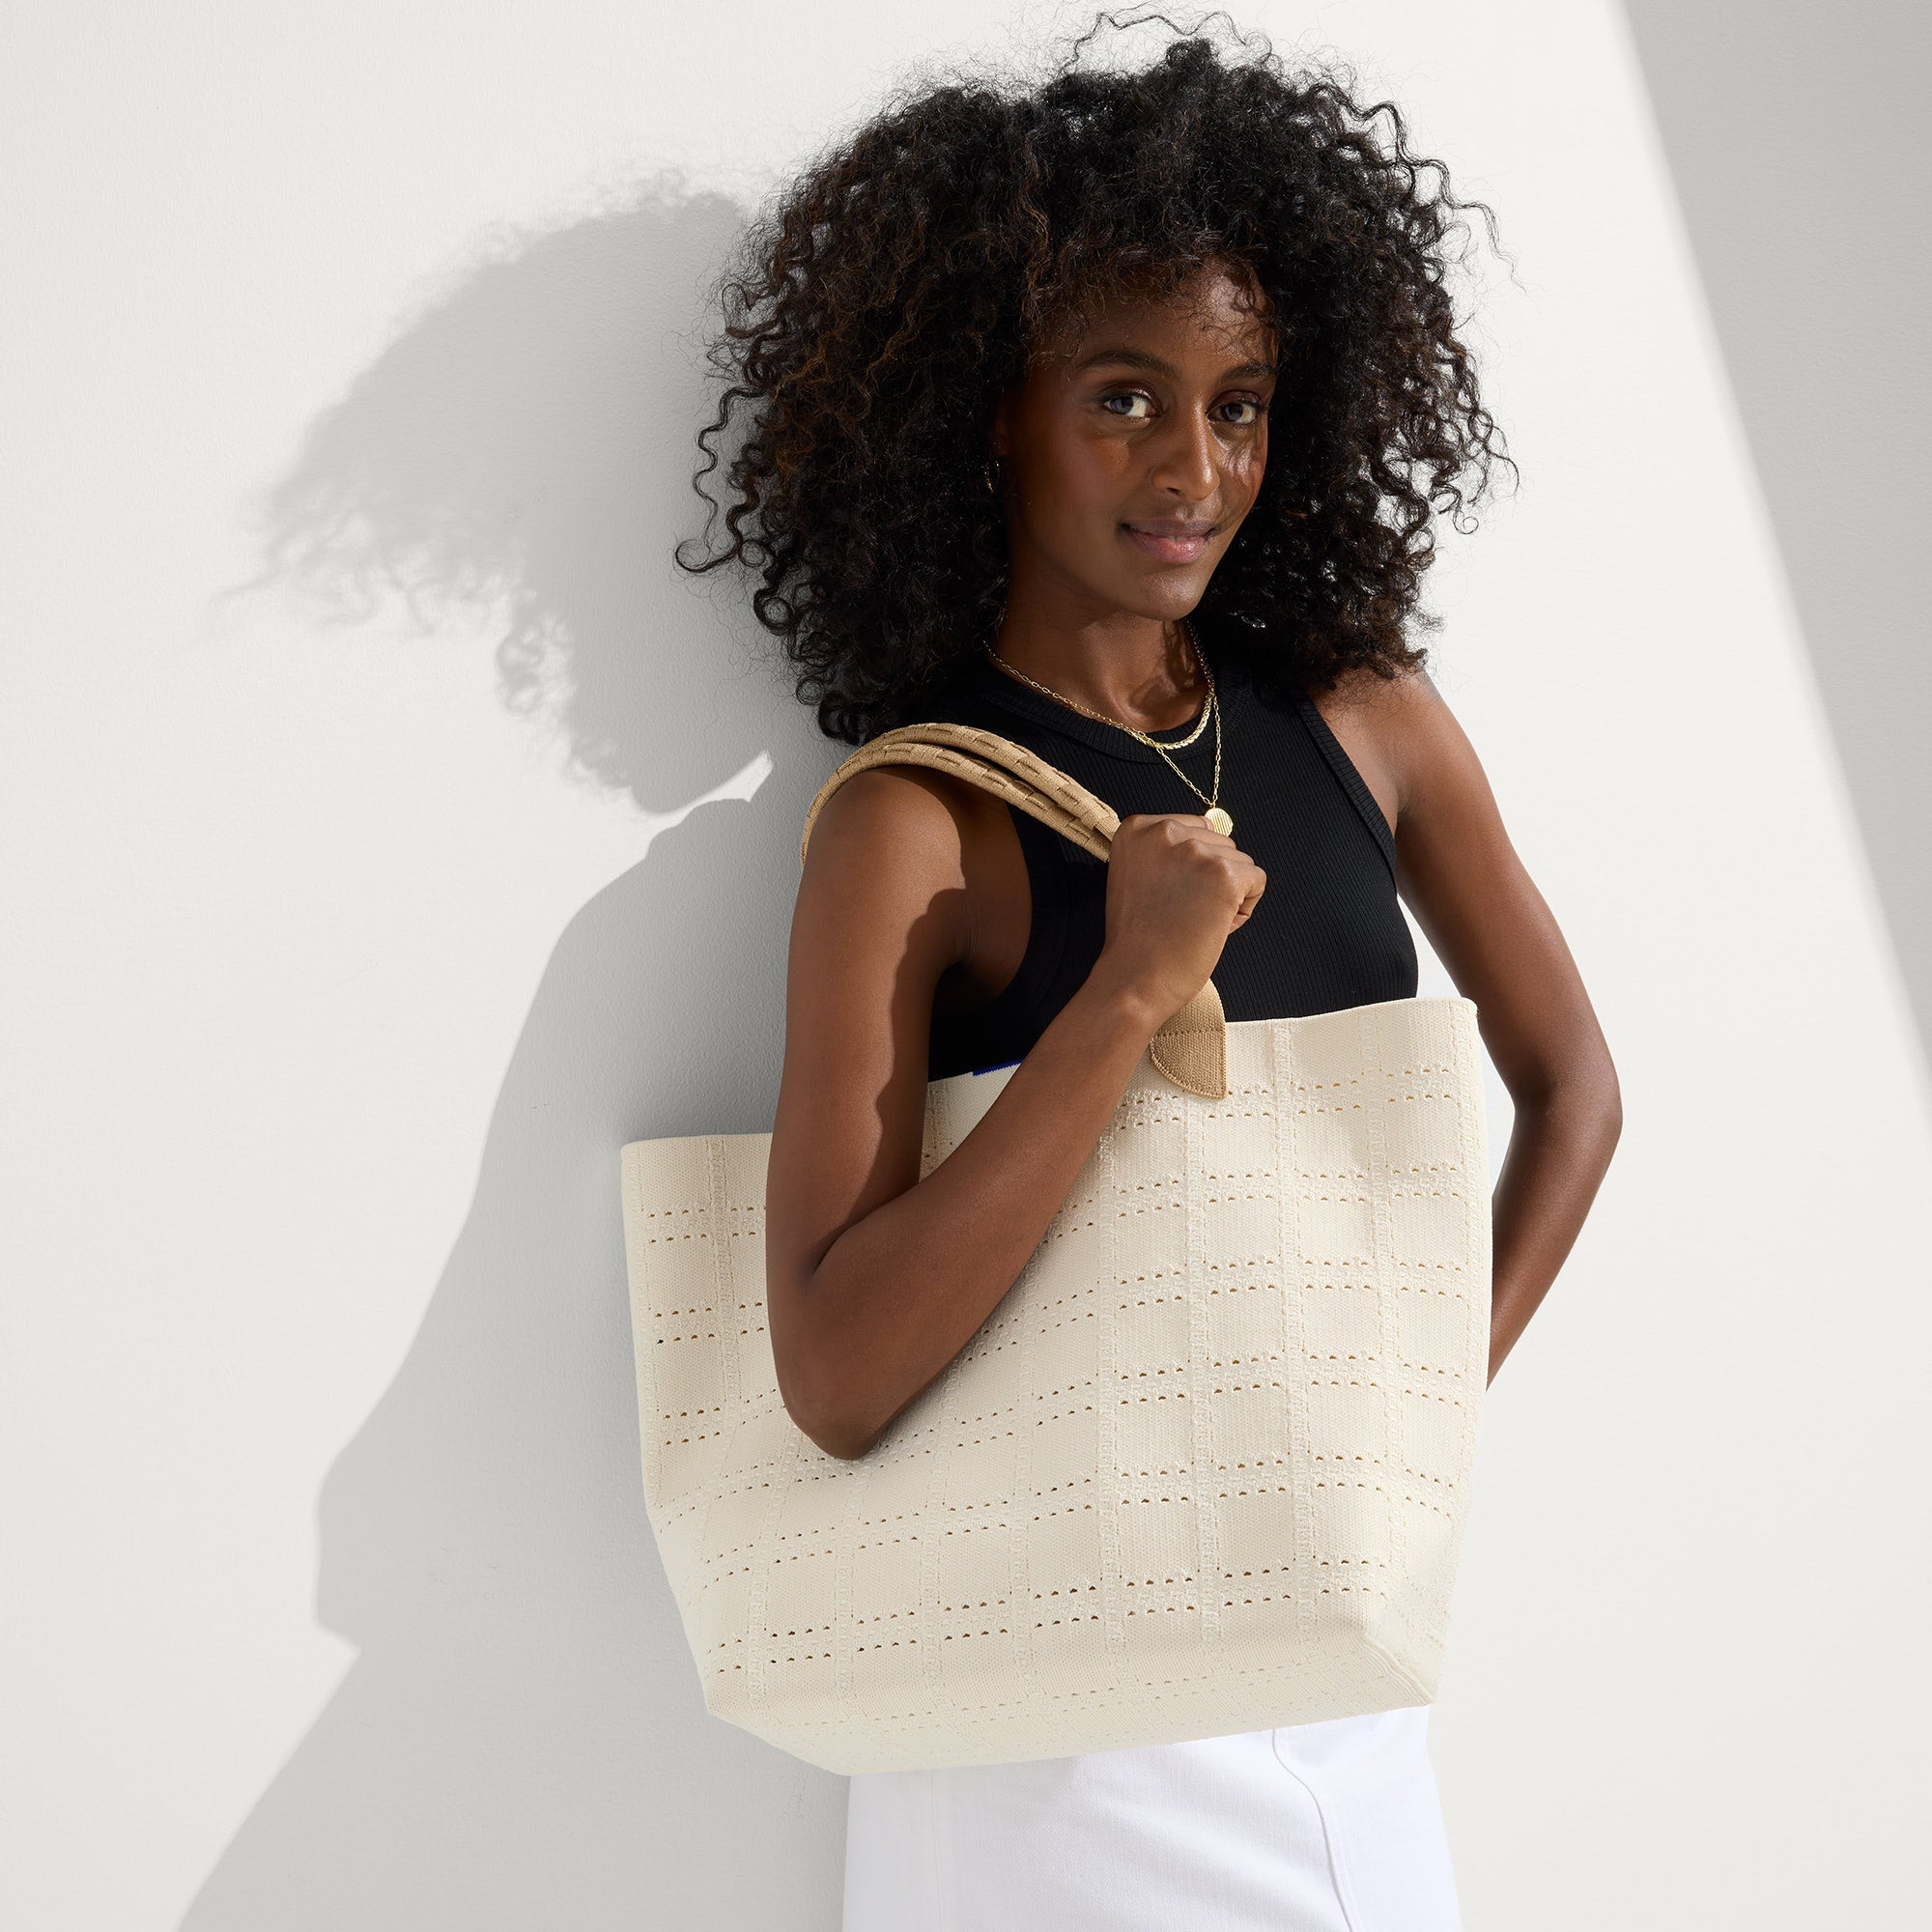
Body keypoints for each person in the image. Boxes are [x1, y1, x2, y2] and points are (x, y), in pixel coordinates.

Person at [677, 16, 1622, 1929]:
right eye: (1124, 396)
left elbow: (1574, 1090)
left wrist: (1411, 1424)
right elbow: (835, 1375)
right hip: (1047, 1749)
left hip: (1334, 1670)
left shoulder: (1364, 720)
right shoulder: (918, 823)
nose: (1193, 467)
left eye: (1239, 405)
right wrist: (1125, 995)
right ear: (991, 409)